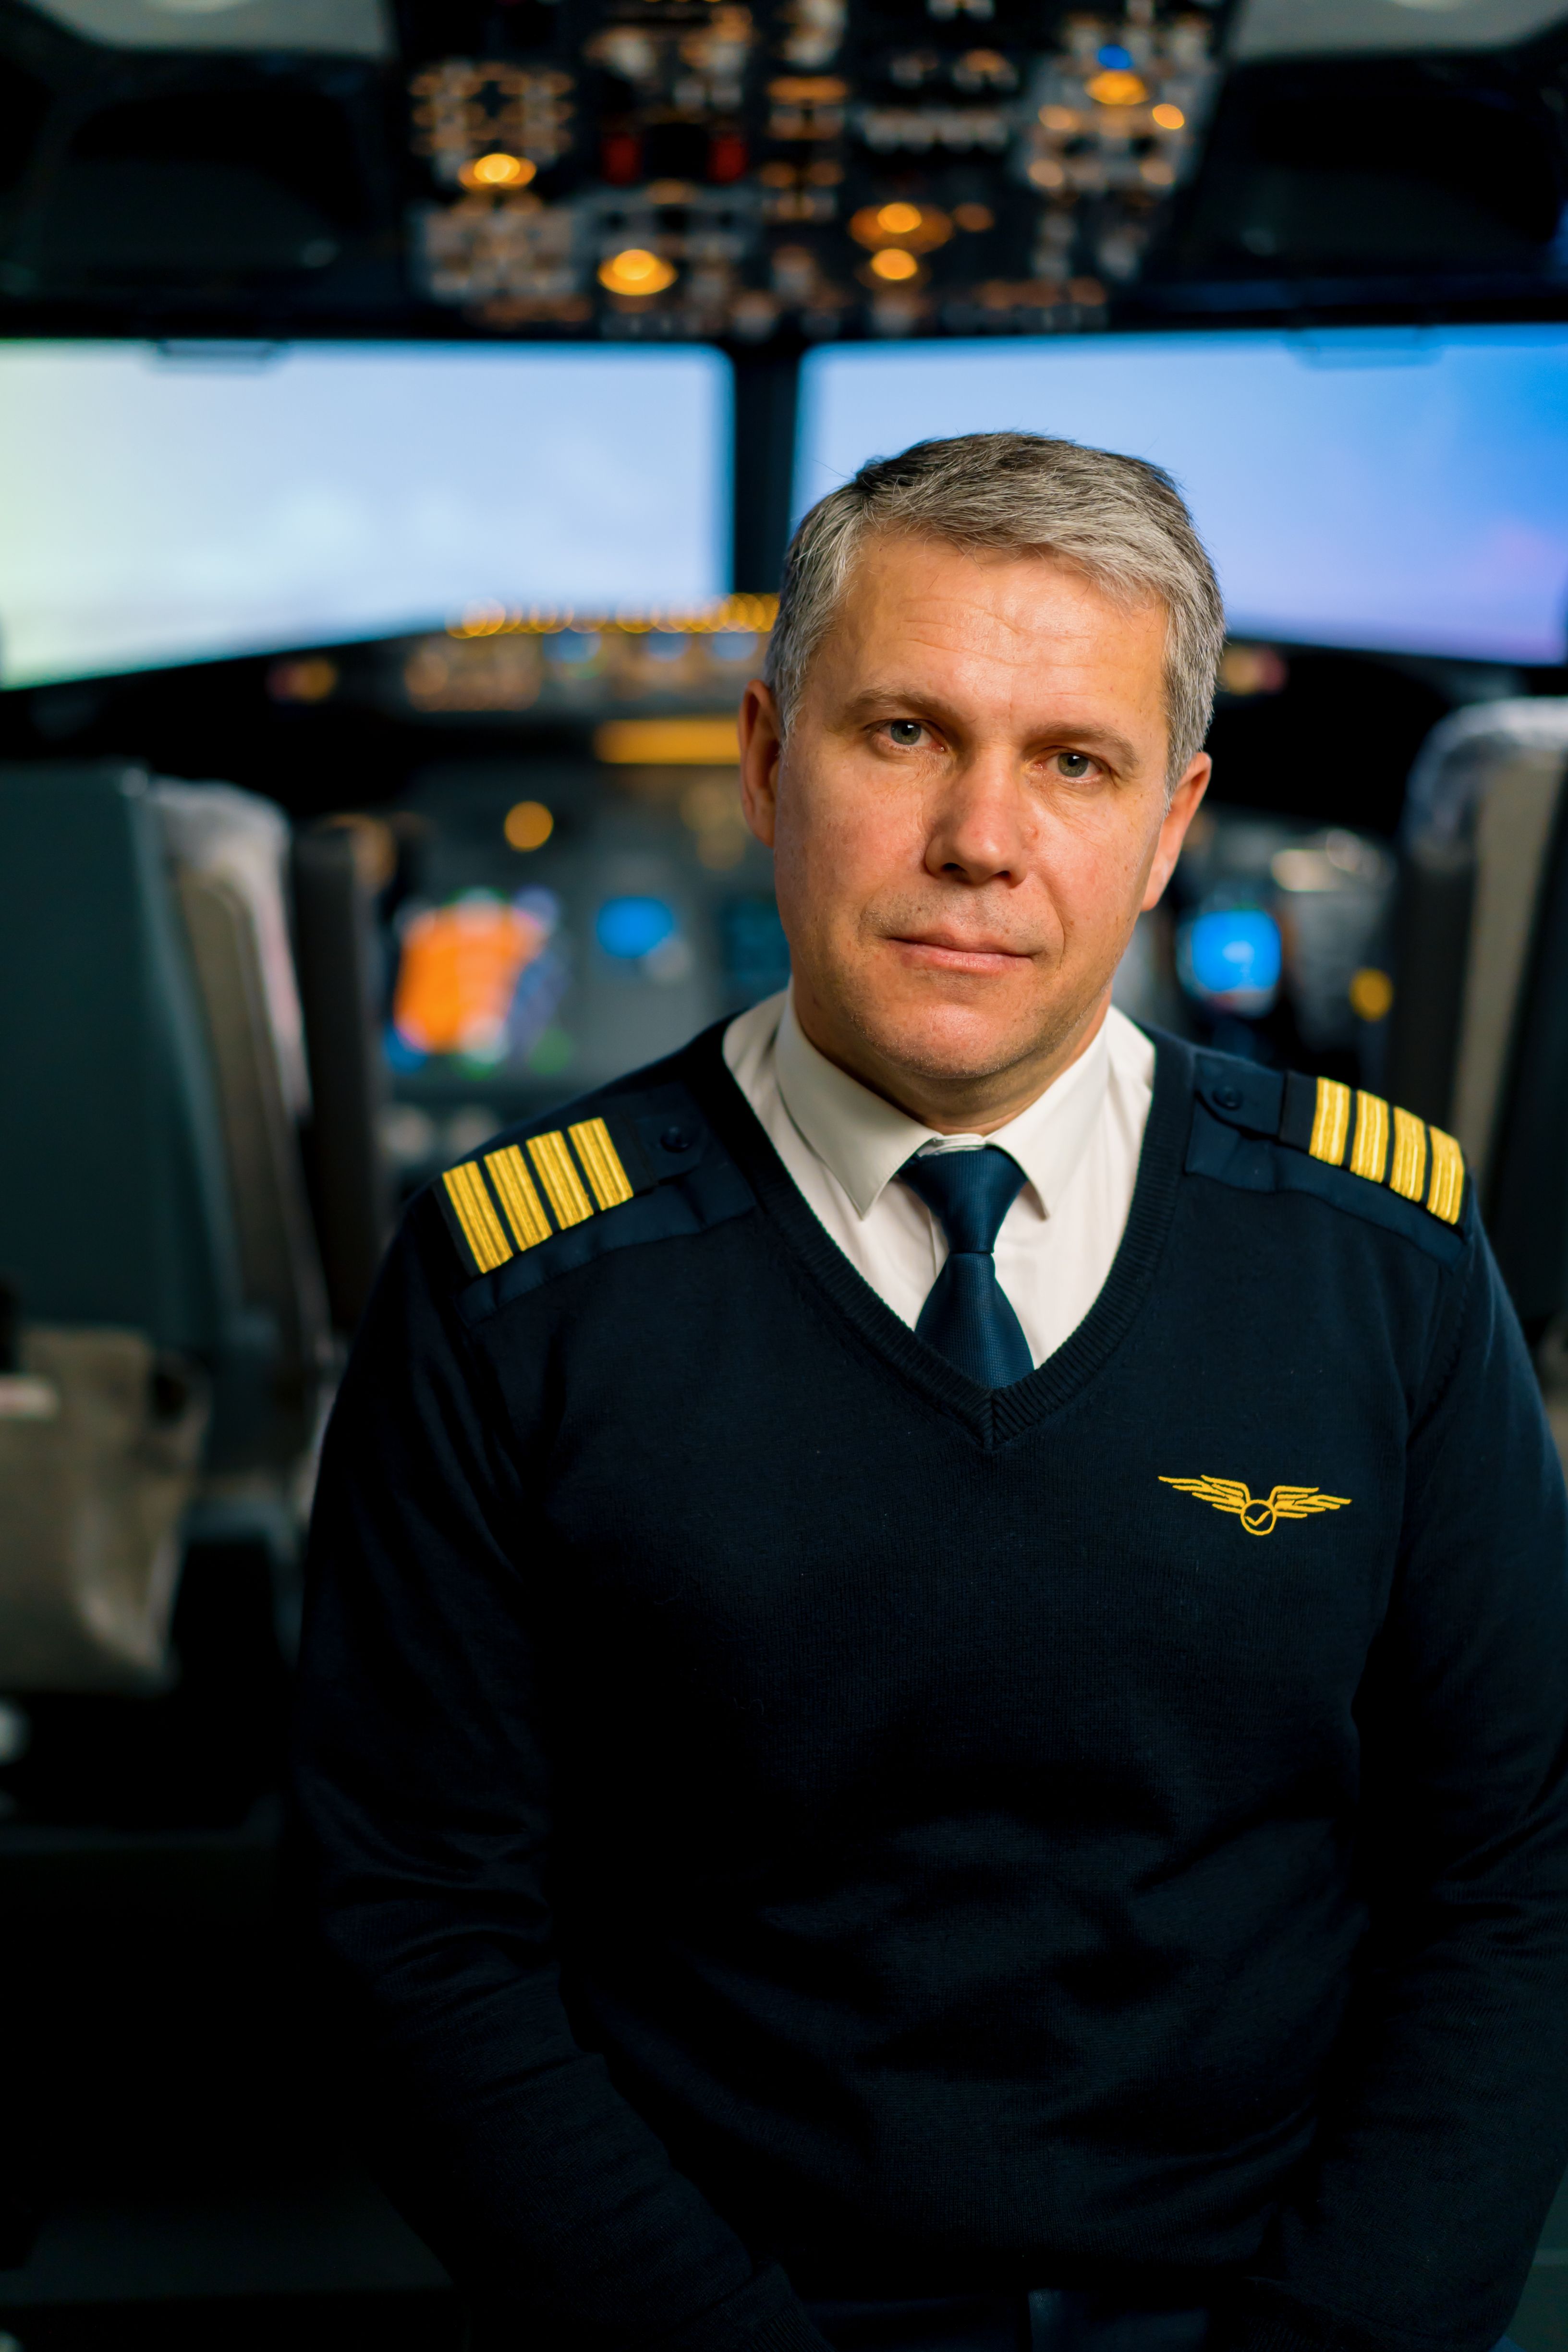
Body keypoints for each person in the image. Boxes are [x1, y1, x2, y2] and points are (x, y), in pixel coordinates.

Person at [291, 433, 1568, 2352]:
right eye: (903, 733)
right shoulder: (508, 1281)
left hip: (1256, 2308)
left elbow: (1514, 1877)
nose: (984, 835)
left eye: (1074, 762)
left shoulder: (1380, 1257)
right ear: (763, 760)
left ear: (1165, 826)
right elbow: (413, 1933)